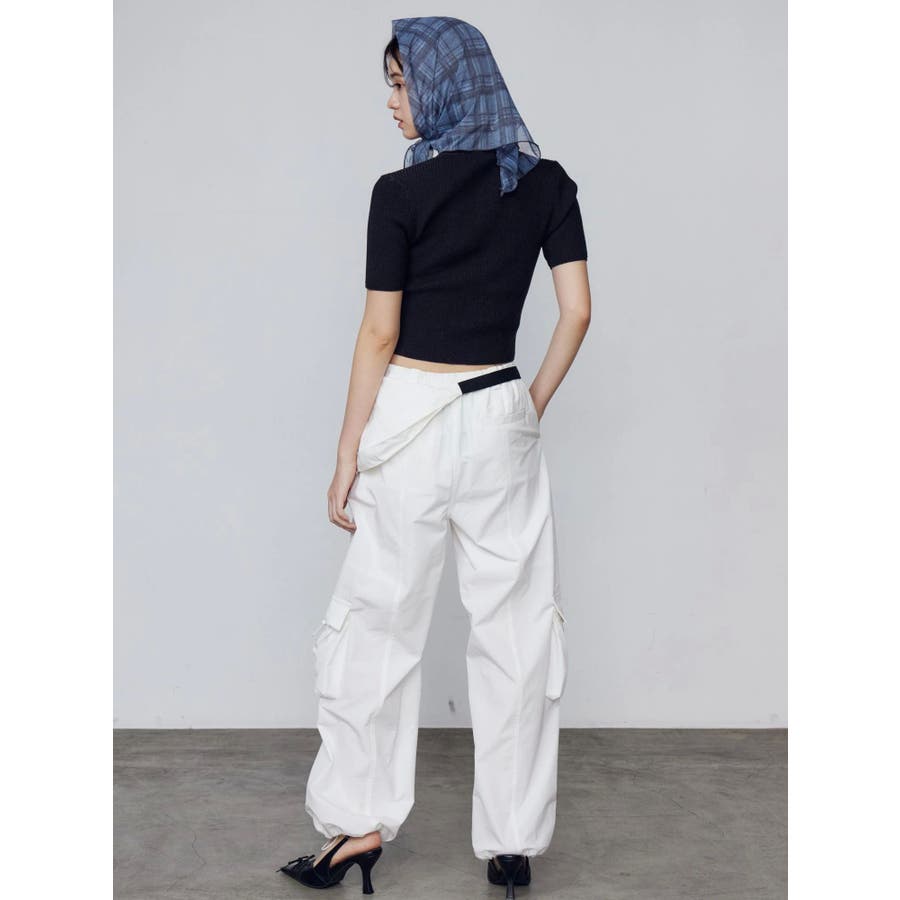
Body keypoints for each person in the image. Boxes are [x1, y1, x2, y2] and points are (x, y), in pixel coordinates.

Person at [279, 15, 591, 897]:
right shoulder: (546, 183)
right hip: (499, 409)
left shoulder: (399, 193)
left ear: (442, 84)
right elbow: (577, 311)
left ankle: (358, 828)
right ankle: (512, 843)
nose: (392, 102)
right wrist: (525, 404)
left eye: (400, 82)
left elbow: (379, 334)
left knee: (378, 624)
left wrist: (347, 450)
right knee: (516, 632)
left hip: (410, 415)